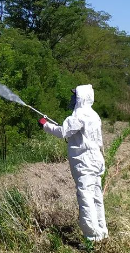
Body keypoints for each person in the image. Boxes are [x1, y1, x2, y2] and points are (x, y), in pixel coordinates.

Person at [38, 85, 107, 241]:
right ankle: (102, 233)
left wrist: (45, 125)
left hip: (85, 163)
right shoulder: (93, 115)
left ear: (81, 98)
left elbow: (63, 132)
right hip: (95, 161)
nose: (72, 99)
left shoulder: (79, 115)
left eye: (74, 96)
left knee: (86, 198)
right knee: (96, 197)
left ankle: (93, 238)